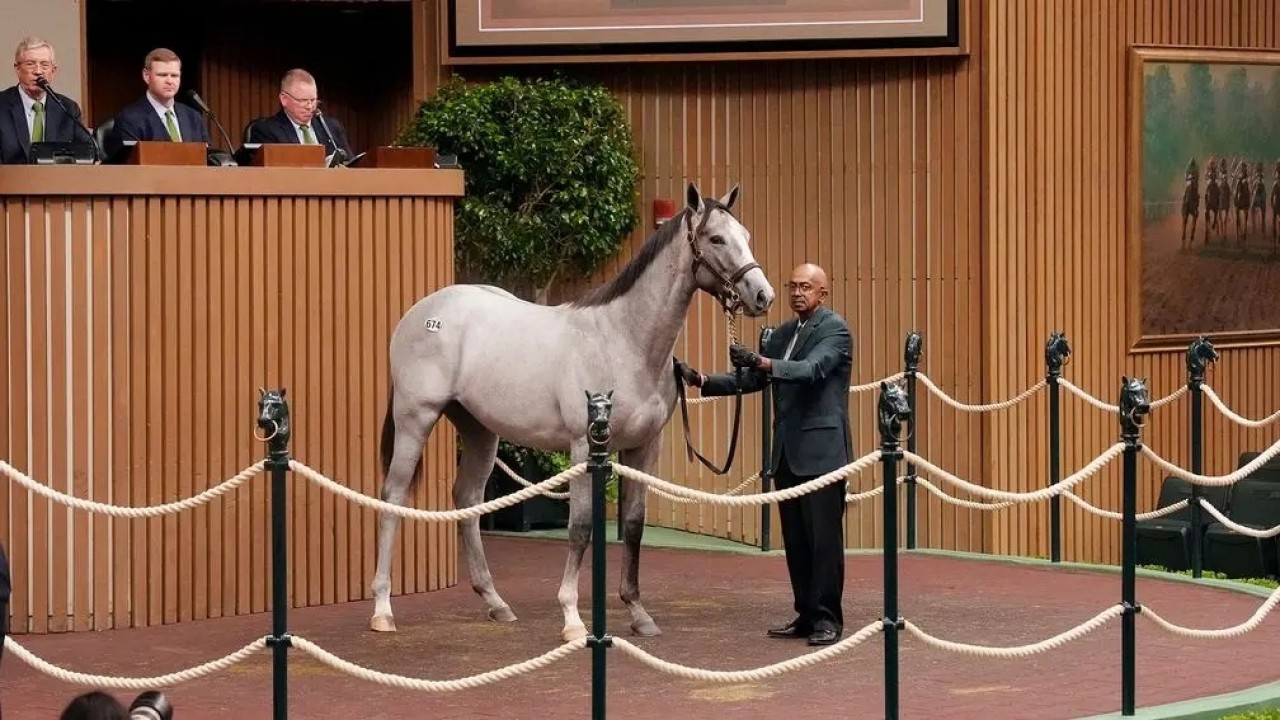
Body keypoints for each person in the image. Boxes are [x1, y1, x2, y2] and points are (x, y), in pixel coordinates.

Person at [676, 262, 853, 646]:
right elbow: (754, 380)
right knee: (796, 540)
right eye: (792, 286)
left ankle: (828, 620)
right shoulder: (782, 334)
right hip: (787, 454)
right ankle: (806, 614)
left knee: (824, 541)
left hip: (823, 453)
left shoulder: (835, 330)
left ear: (823, 293)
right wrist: (702, 380)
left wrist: (761, 361)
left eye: (806, 287)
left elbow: (811, 369)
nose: (797, 293)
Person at [103, 47, 210, 160]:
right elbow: (128, 164)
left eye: (174, 75)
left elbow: (207, 159)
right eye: (162, 75)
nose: (170, 81)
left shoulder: (193, 117)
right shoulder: (130, 119)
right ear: (146, 76)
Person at [0, 36, 86, 164]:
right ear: (17, 69)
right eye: (30, 64)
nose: (38, 71)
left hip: (55, 181)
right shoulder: (2, 104)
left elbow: (84, 153)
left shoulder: (68, 109)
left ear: (53, 71)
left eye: (44, 65)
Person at [246, 68, 353, 163]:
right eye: (303, 100)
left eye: (313, 100)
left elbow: (350, 164)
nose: (310, 106)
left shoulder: (331, 127)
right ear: (284, 99)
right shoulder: (266, 131)